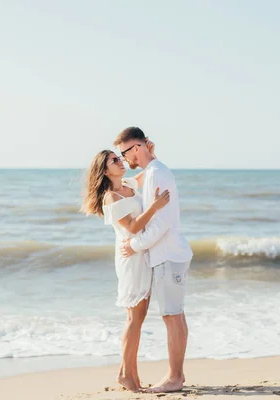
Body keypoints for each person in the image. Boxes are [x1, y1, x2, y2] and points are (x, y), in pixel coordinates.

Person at [81, 142, 170, 392]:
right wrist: (155, 206)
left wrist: (149, 152)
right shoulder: (111, 196)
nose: (120, 161)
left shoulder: (128, 185)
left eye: (119, 158)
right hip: (130, 256)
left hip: (141, 252)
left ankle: (130, 373)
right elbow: (132, 227)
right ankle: (124, 373)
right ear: (105, 171)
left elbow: (148, 172)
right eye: (114, 161)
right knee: (134, 318)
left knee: (138, 318)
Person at [116, 126, 193, 393]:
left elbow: (161, 224)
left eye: (124, 153)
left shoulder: (157, 173)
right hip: (166, 255)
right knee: (173, 315)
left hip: (169, 253)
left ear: (136, 147)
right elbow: (127, 182)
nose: (124, 159)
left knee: (172, 316)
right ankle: (176, 375)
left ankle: (175, 377)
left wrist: (134, 246)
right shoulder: (151, 172)